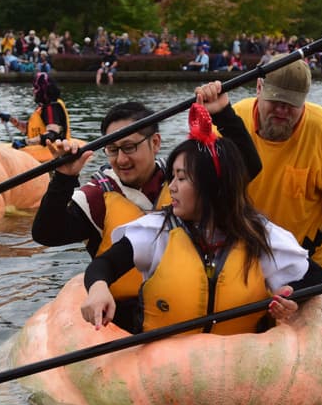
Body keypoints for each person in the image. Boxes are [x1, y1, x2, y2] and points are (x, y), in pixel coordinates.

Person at [34, 82, 262, 331]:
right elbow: (47, 233)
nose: (121, 159)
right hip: (126, 321)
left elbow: (247, 167)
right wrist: (64, 179)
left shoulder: (185, 177)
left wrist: (222, 113)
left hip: (190, 305)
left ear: (155, 143)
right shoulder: (97, 197)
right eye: (112, 150)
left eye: (130, 147)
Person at [79, 102, 306, 335]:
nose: (172, 187)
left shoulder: (257, 234)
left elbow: (310, 275)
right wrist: (98, 287)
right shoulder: (157, 230)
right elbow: (103, 265)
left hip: (239, 358)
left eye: (181, 178)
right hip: (165, 360)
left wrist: (290, 294)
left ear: (211, 185)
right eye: (172, 177)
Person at [233, 58, 322, 288]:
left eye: (291, 104)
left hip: (301, 263)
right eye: (276, 100)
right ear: (259, 88)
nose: (282, 110)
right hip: (239, 255)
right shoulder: (232, 122)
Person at [5, 73, 69, 147]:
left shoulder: (51, 108)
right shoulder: (43, 108)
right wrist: (10, 119)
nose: (34, 91)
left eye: (36, 88)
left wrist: (25, 142)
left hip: (48, 153)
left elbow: (52, 135)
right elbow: (28, 130)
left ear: (44, 89)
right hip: (37, 151)